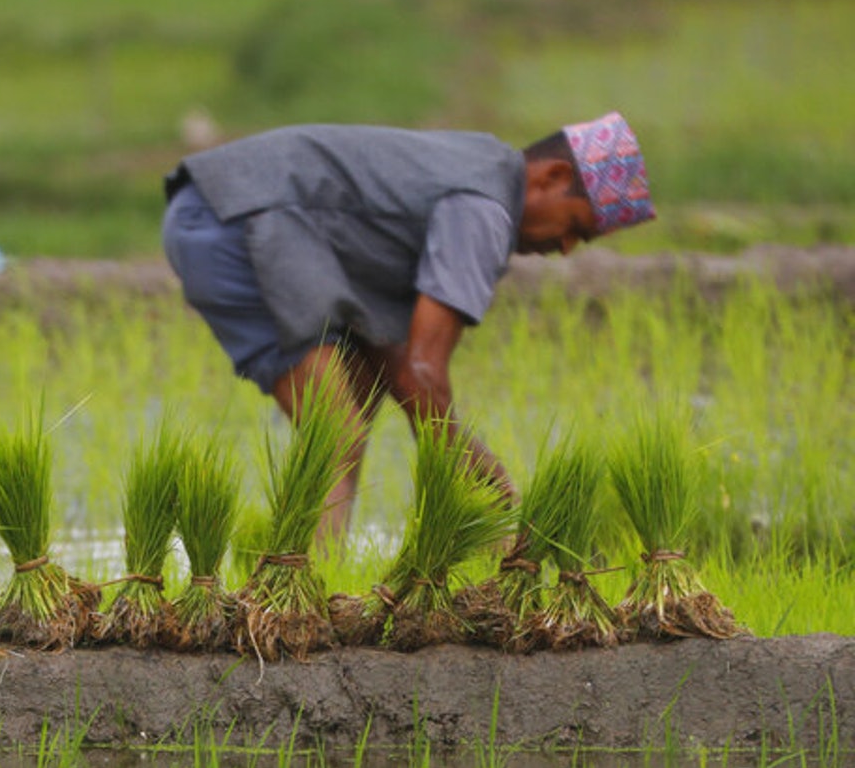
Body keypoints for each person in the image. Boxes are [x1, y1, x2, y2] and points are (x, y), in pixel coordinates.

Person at [161, 113, 656, 536]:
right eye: (574, 227)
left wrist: (459, 453)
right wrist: (467, 463)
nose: (565, 249)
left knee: (352, 409)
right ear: (550, 176)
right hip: (232, 220)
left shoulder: (478, 174)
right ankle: (297, 601)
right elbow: (420, 372)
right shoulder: (484, 208)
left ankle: (316, 585)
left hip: (242, 216)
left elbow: (396, 360)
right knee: (335, 434)